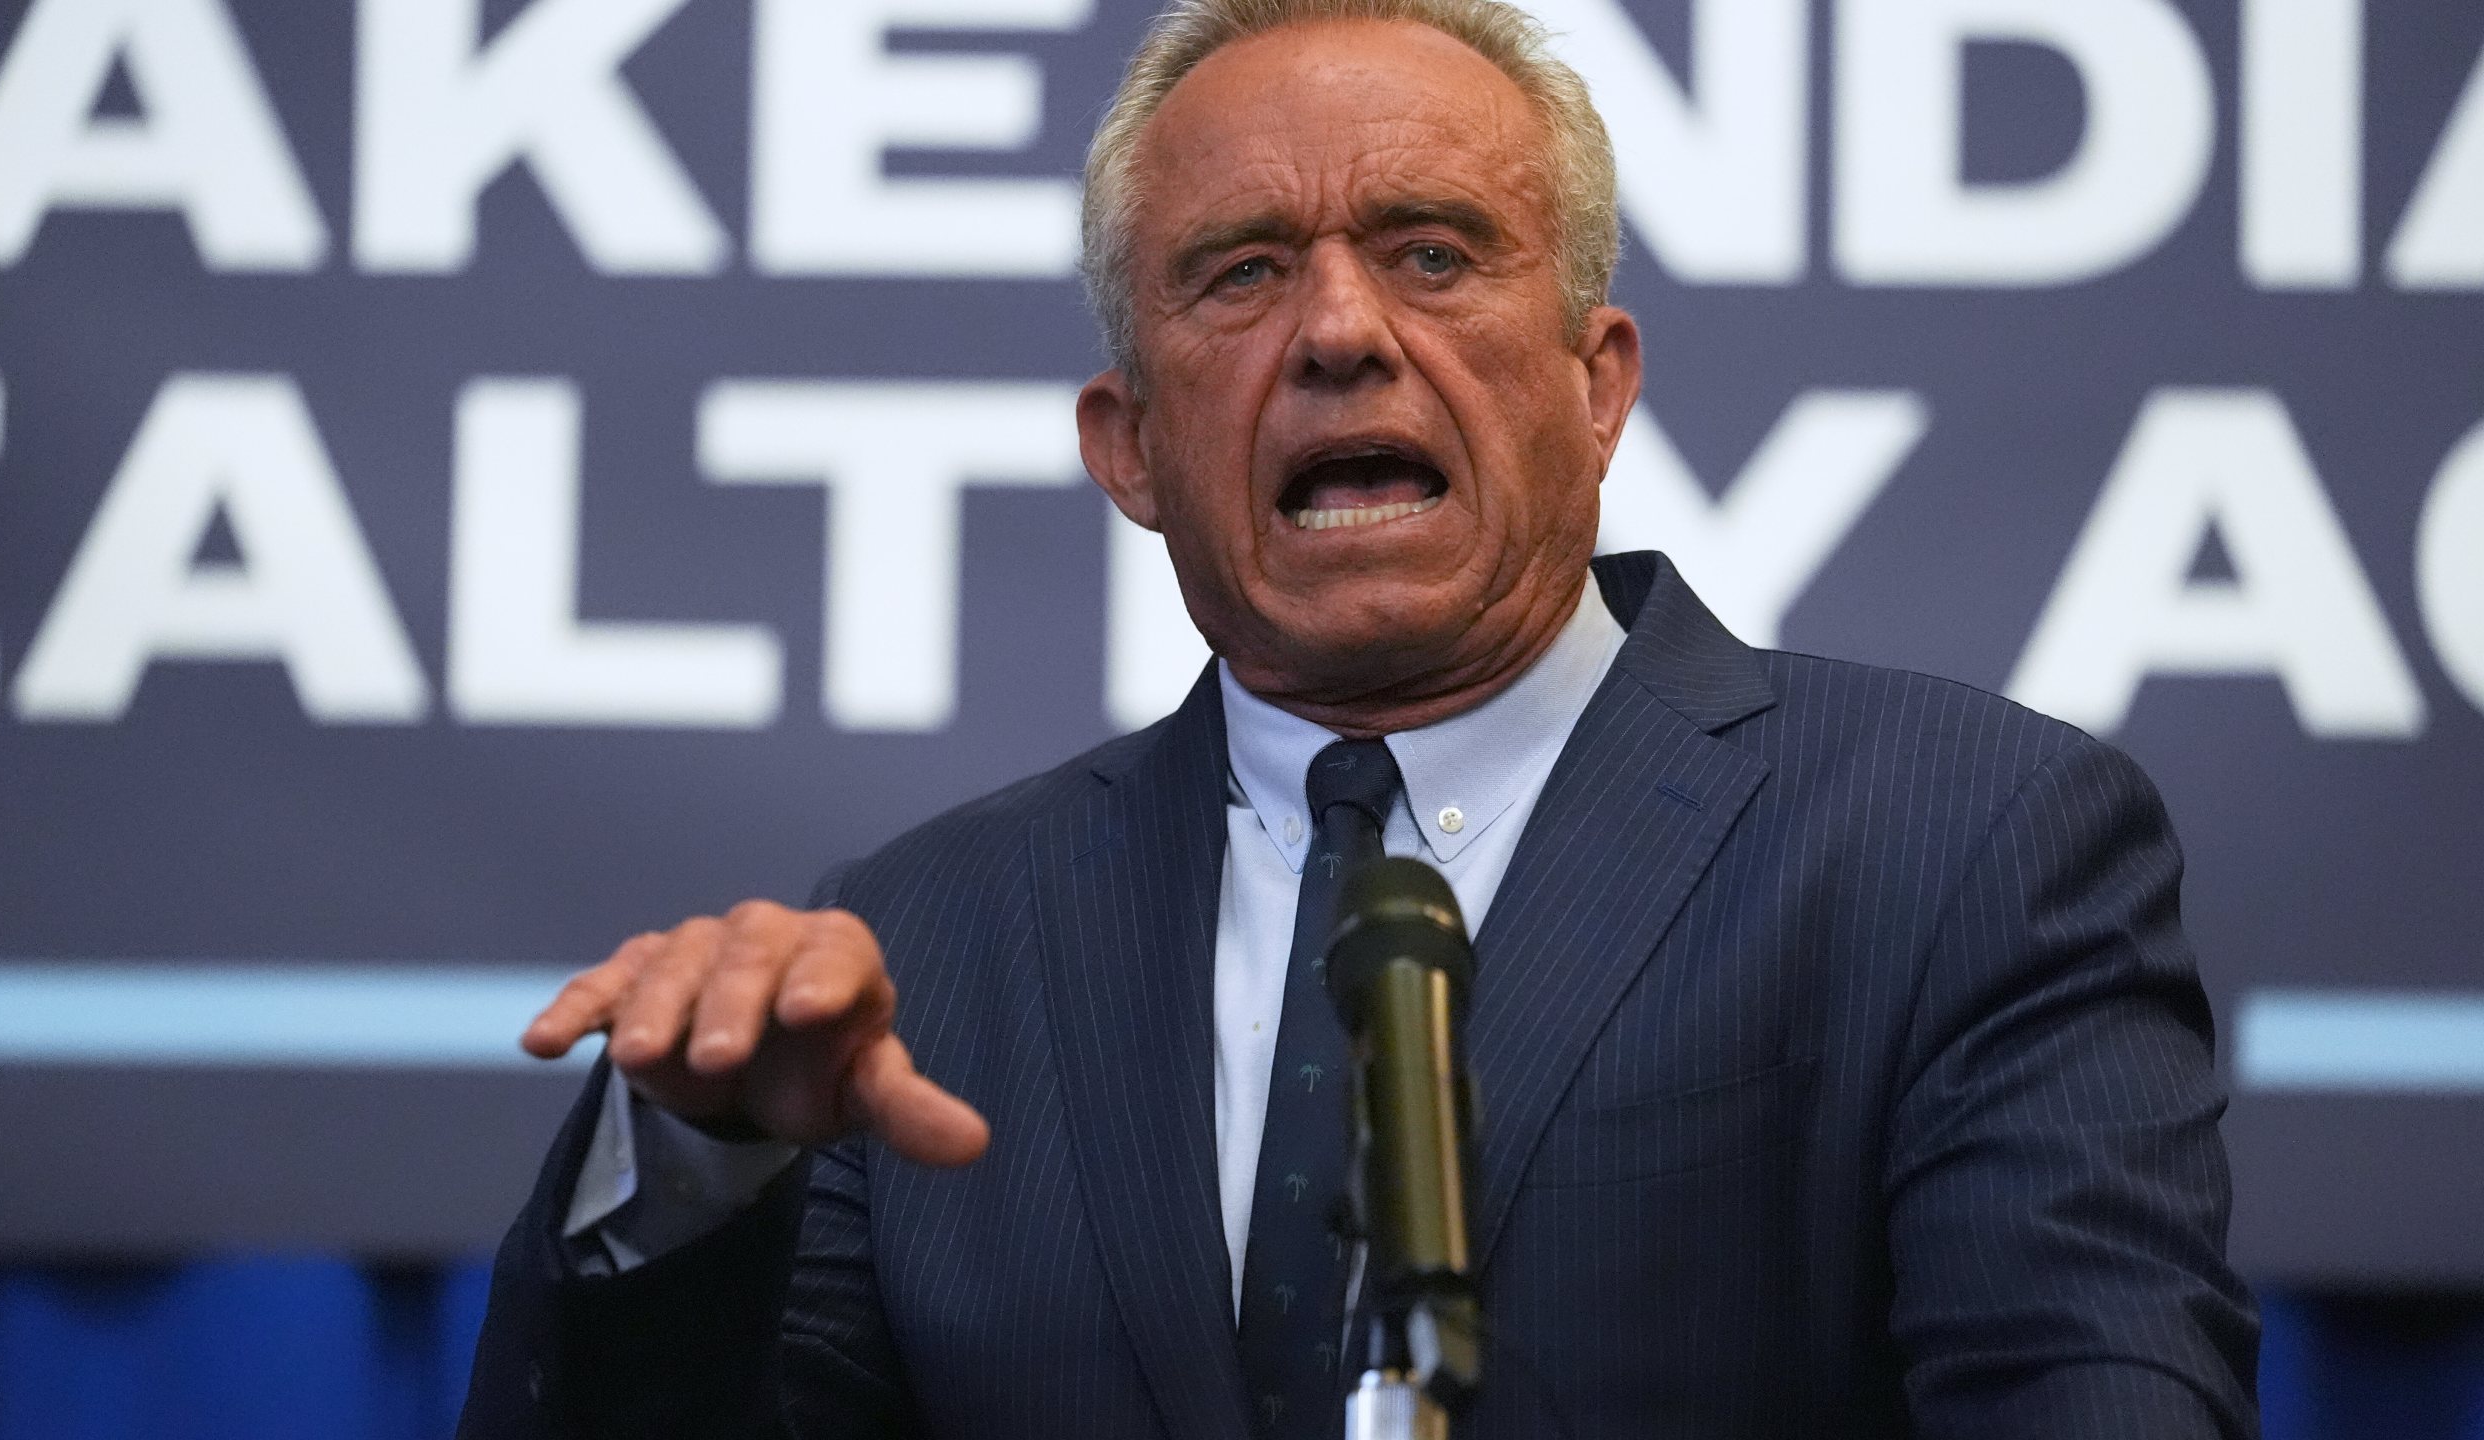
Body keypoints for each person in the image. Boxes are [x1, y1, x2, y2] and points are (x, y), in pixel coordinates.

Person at [459, 0, 2259, 1435]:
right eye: (1242, 271)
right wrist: (700, 1168)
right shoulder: (931, 942)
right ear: (1129, 449)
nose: (1339, 329)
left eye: (1434, 253)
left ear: (1598, 384)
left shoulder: (1960, 842)